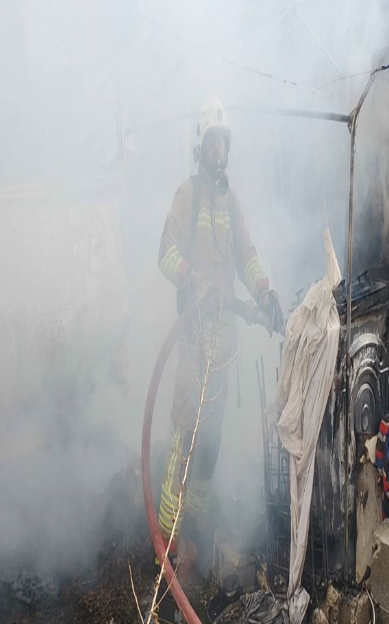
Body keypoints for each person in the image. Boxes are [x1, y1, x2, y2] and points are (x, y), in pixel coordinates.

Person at [156, 97, 284, 582]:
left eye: (224, 142)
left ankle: (199, 533)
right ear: (200, 145)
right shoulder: (186, 196)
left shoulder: (231, 203)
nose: (220, 151)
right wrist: (189, 276)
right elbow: (163, 254)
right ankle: (166, 547)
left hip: (224, 346)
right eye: (213, 141)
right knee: (184, 438)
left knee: (210, 445)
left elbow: (247, 256)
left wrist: (266, 292)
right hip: (192, 344)